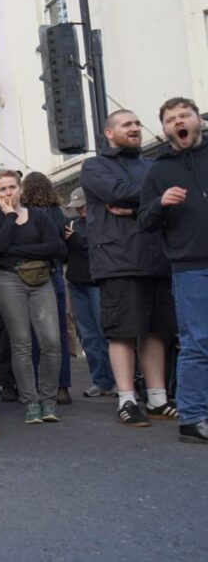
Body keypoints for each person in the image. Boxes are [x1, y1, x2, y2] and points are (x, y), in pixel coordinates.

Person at [82, 110, 177, 426]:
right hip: (119, 261)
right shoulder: (94, 166)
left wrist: (147, 201)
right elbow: (117, 192)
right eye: (127, 124)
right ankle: (126, 399)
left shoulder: (151, 164)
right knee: (122, 333)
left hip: (157, 258)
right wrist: (155, 198)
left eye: (137, 123)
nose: (135, 128)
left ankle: (158, 399)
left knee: (156, 331)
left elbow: (167, 194)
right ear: (109, 132)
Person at [139, 96, 208, 444]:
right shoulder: (158, 169)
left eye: (185, 115)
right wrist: (160, 204)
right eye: (170, 119)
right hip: (190, 266)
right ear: (165, 129)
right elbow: (144, 221)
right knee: (199, 341)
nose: (178, 122)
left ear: (198, 120)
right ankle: (193, 417)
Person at [0, 169, 67, 424]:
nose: (9, 193)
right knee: (21, 343)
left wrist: (16, 250)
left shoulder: (39, 216)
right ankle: (31, 402)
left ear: (20, 189)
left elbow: (56, 247)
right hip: (8, 281)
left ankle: (48, 399)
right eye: (3, 189)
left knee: (51, 341)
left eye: (12, 187)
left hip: (41, 280)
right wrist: (9, 218)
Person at [21, 171, 74, 405]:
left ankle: (36, 385)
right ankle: (61, 386)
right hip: (55, 274)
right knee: (58, 333)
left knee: (32, 333)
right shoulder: (58, 213)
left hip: (30, 274)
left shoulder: (25, 215)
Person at [61, 188, 115, 398]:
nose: (81, 211)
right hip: (77, 283)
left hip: (97, 283)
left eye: (83, 206)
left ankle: (117, 379)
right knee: (89, 336)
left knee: (106, 332)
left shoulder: (103, 223)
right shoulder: (73, 224)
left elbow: (99, 248)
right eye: (78, 207)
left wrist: (76, 240)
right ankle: (100, 380)